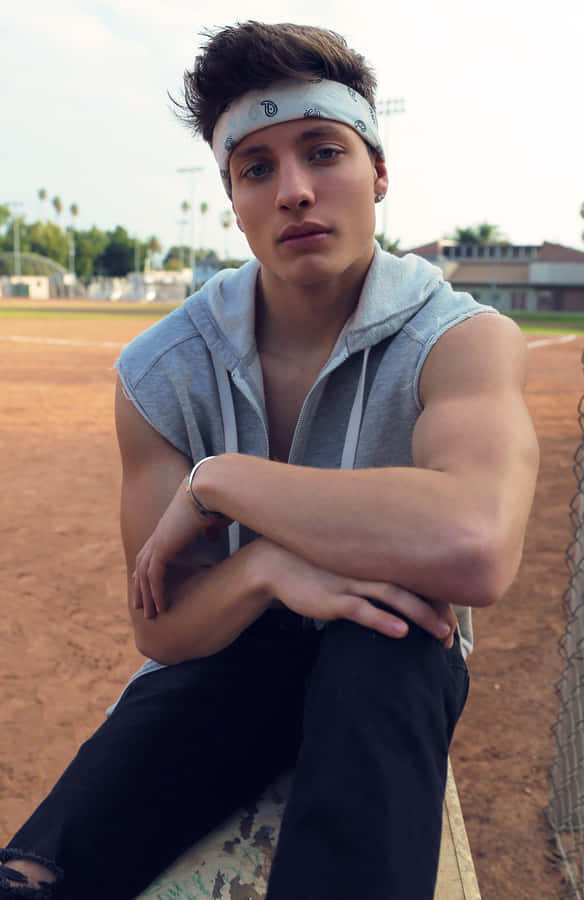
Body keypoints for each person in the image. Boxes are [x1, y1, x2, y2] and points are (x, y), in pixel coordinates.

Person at [0, 20, 539, 900]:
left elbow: (475, 545)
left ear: (379, 175)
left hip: (392, 658)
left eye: (323, 152)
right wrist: (265, 568)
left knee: (390, 640)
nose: (294, 190)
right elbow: (164, 629)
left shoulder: (464, 339)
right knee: (44, 868)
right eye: (257, 167)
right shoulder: (160, 371)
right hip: (231, 660)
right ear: (234, 197)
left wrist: (224, 483)